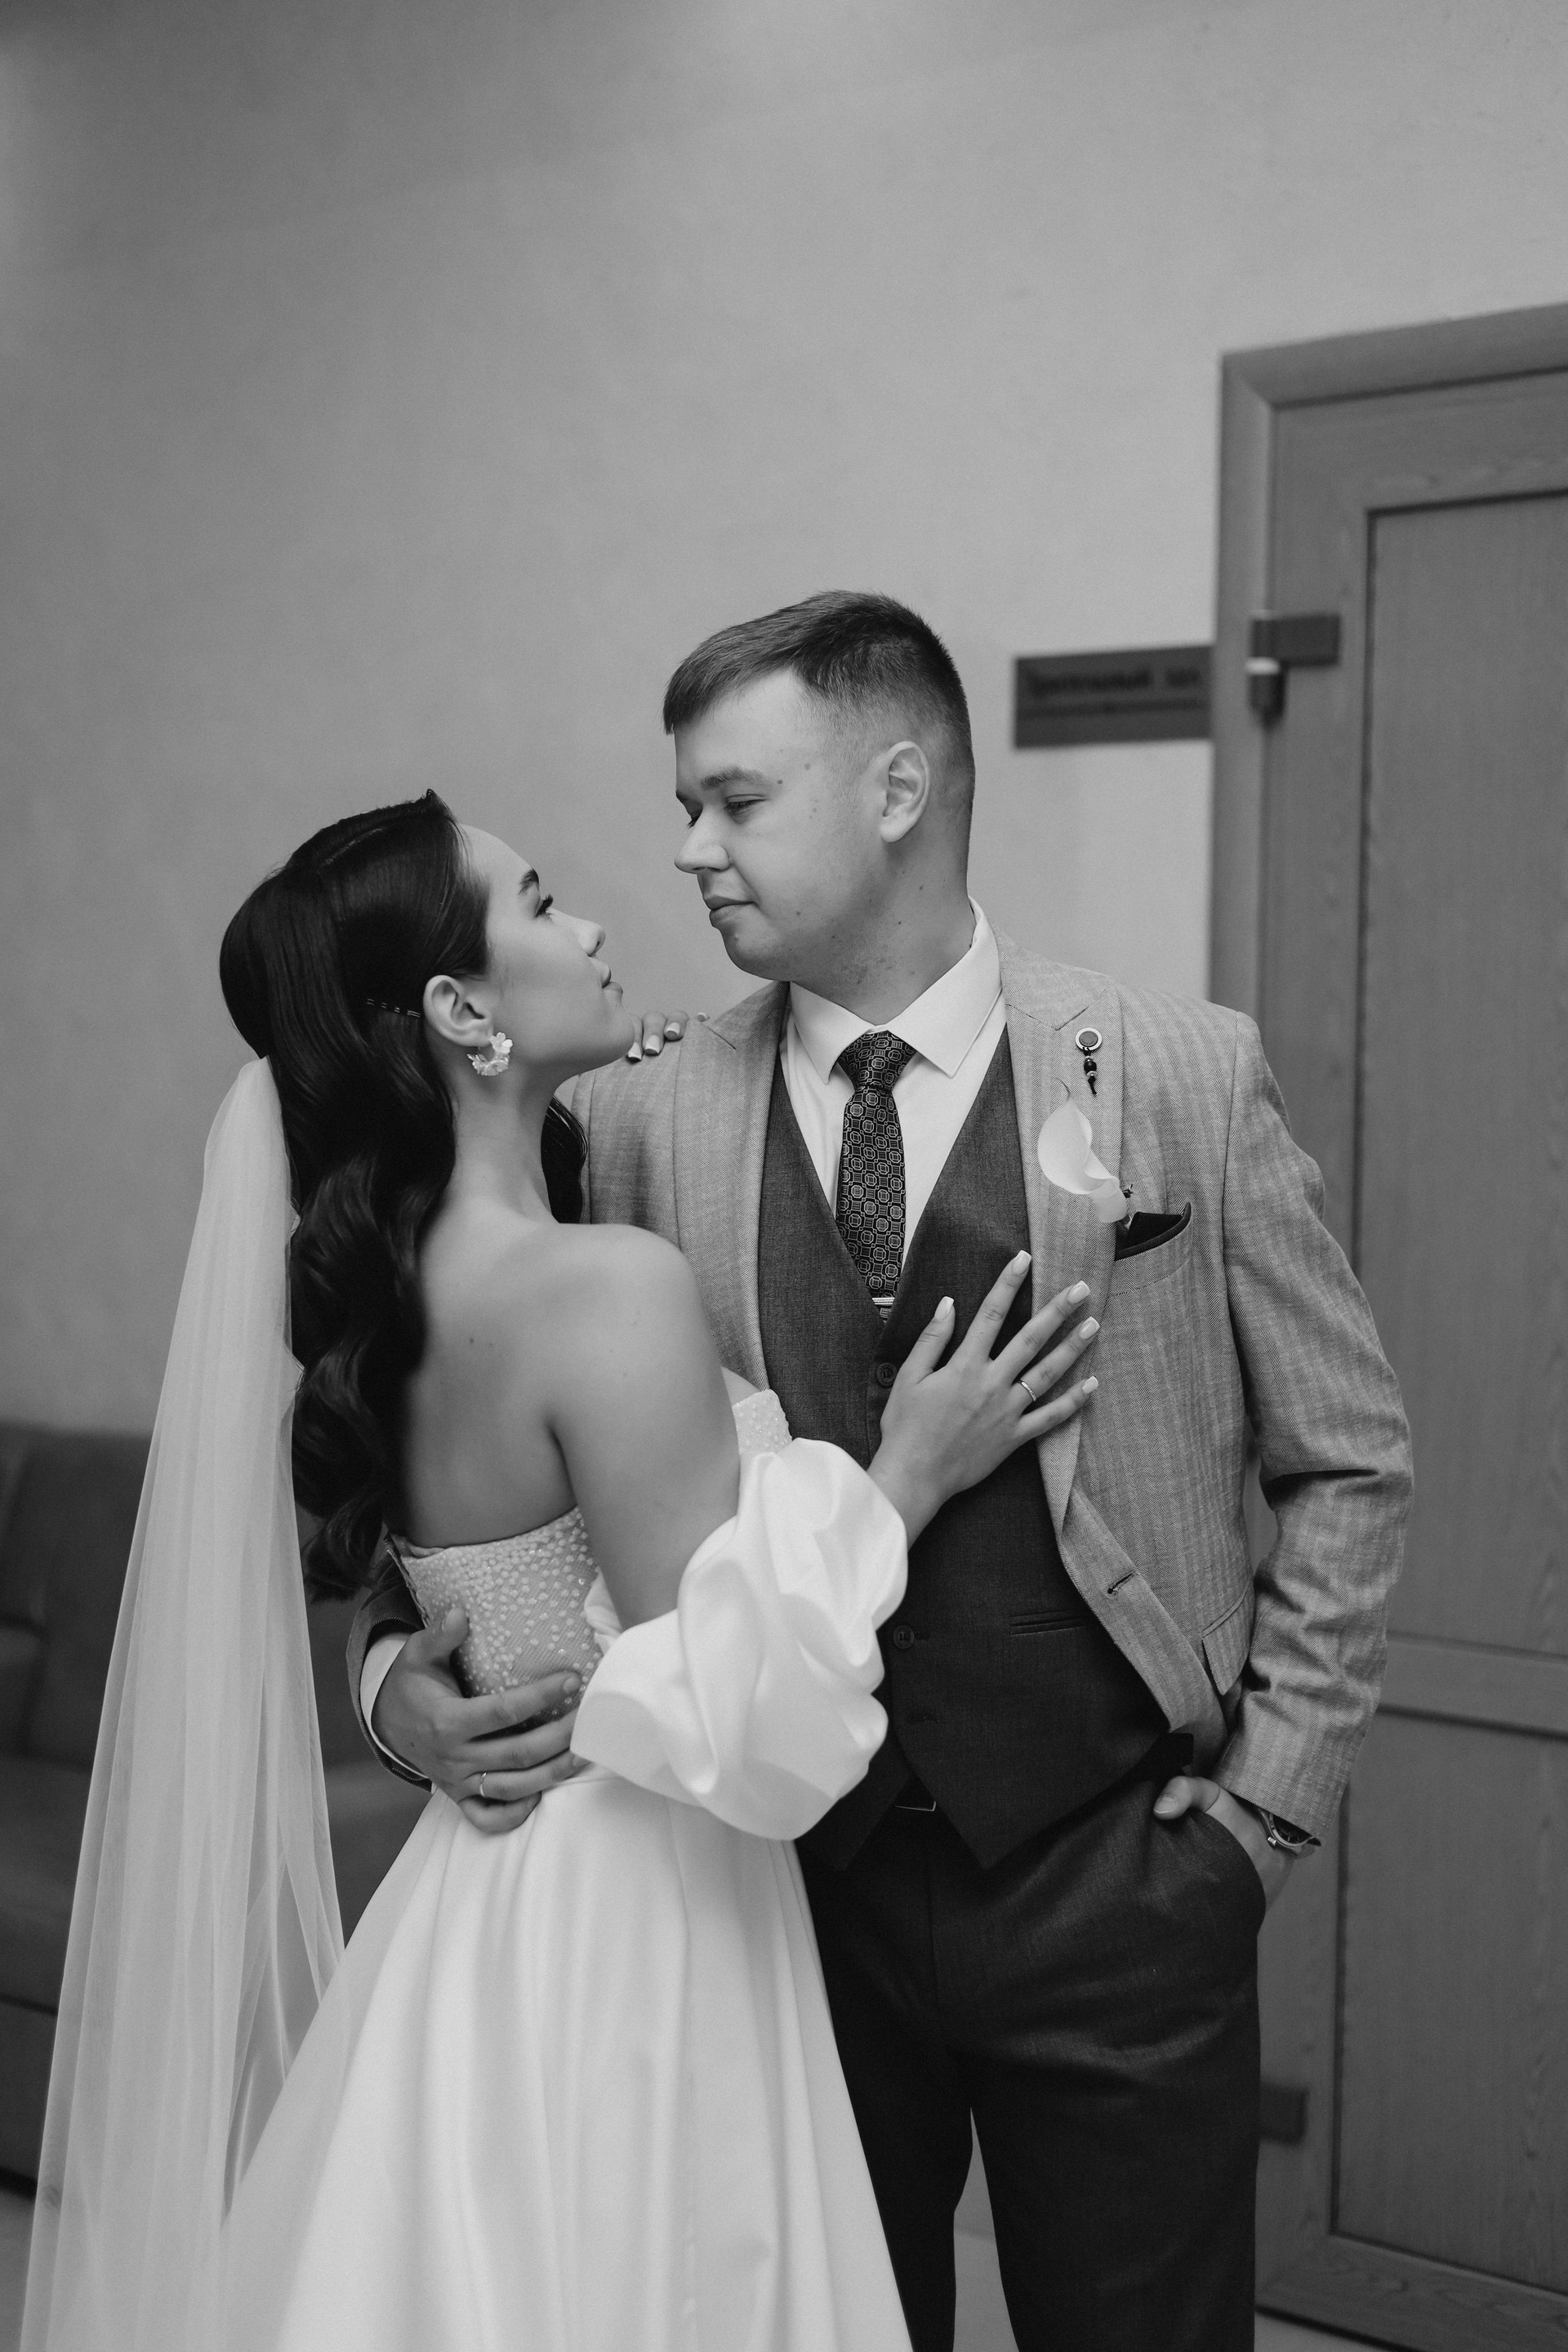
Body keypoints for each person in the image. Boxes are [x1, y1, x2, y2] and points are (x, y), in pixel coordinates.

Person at [358, 594, 1414, 2352]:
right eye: (684, 804)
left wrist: (1257, 1820)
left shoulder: (1177, 1070)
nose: (688, 850)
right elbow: (437, 1453)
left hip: (1123, 1893)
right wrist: (393, 1680)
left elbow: (1350, 1459)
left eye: (737, 801)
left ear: (900, 789)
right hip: (775, 1916)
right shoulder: (625, 1116)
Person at [22, 792, 1101, 2352]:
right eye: (538, 902)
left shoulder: (391, 1290)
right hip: (639, 1909)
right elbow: (726, 1707)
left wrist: (392, 1689)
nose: (593, 924)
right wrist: (905, 1479)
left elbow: (441, 1585)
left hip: (476, 1904)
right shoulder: (604, 1289)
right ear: (462, 1011)